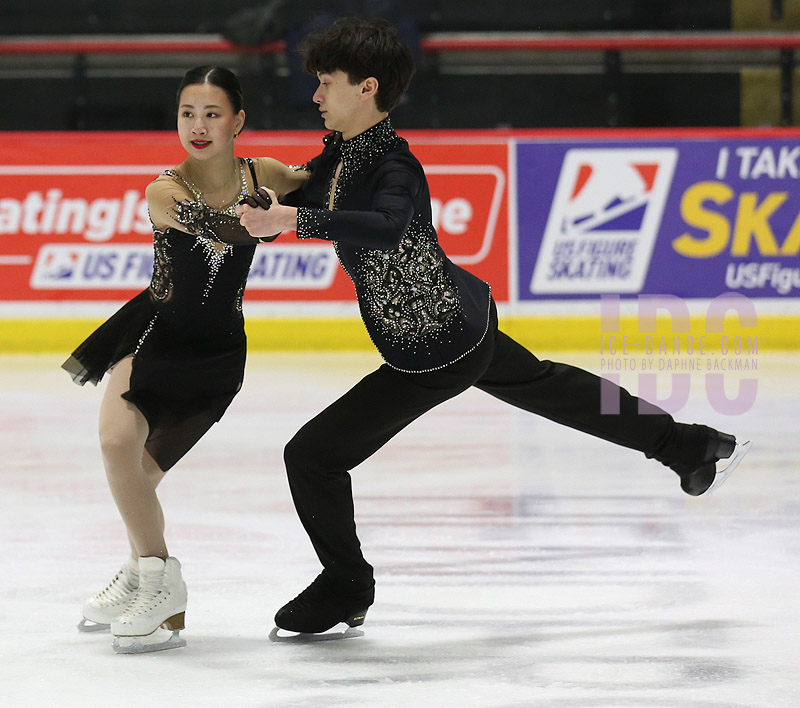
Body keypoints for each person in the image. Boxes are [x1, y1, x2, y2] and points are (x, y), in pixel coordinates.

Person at [236, 18, 749, 637]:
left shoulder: (396, 166)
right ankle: (685, 444)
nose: (315, 95)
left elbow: (387, 225)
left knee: (312, 456)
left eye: (326, 82)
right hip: (461, 321)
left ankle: (347, 584)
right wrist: (278, 195)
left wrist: (293, 219)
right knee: (548, 386)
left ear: (366, 88)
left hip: (436, 350)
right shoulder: (345, 150)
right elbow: (320, 191)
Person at [63, 65, 307, 653]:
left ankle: (138, 571)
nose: (197, 126)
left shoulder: (266, 174)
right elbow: (221, 230)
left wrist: (344, 166)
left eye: (212, 114)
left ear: (238, 121)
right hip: (154, 333)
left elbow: (320, 182)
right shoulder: (164, 189)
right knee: (117, 446)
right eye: (187, 114)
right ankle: (161, 582)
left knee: (141, 482)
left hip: (216, 352)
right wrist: (270, 217)